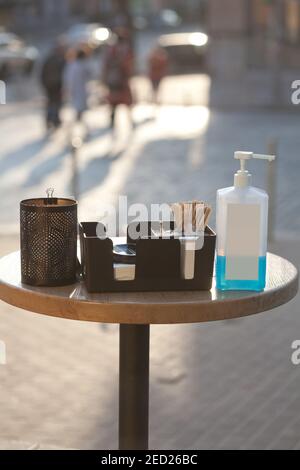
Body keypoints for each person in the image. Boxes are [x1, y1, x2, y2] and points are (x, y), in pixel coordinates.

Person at [102, 28, 134, 129]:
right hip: (120, 78)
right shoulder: (123, 50)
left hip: (114, 79)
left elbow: (106, 64)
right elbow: (128, 63)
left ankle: (114, 119)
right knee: (123, 100)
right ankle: (128, 119)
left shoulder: (112, 49)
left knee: (114, 101)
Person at [41, 43, 66, 130]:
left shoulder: (51, 59)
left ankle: (52, 119)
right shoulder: (60, 60)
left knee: (53, 103)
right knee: (55, 103)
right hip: (54, 85)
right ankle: (53, 119)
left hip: (52, 85)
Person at [64, 48, 90, 124]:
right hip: (77, 89)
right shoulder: (77, 66)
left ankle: (79, 119)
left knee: (79, 105)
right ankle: (78, 120)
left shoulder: (75, 65)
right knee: (78, 105)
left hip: (78, 89)